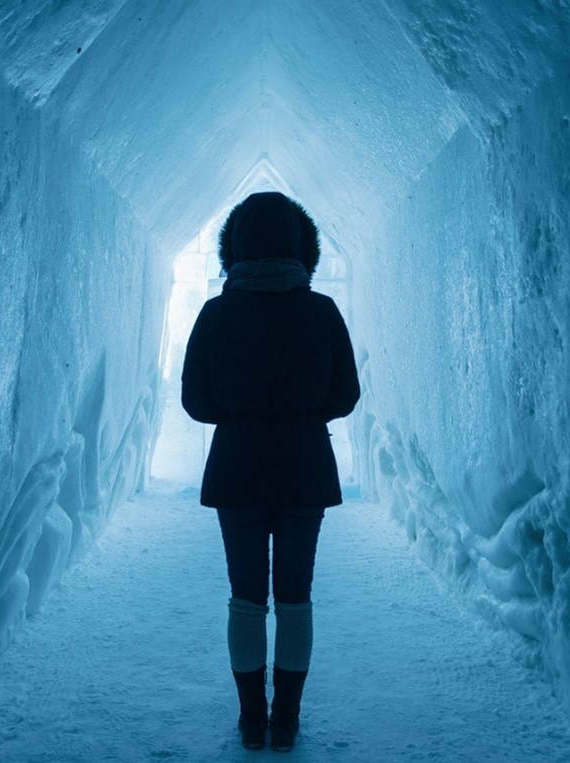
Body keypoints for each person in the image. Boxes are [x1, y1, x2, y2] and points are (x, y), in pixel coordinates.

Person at [181, 191, 360, 752]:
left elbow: (196, 402)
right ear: (301, 247)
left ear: (233, 248)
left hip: (237, 470)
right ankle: (287, 718)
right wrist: (301, 415)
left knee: (246, 598)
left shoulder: (216, 312)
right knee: (295, 598)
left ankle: (252, 719)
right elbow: (346, 395)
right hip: (305, 467)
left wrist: (240, 415)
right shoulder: (322, 311)